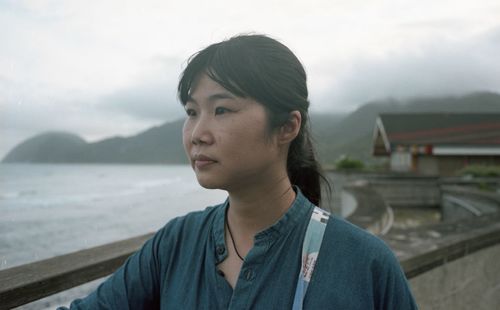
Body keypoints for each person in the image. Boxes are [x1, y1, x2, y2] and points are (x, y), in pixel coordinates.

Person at [61, 34, 417, 309]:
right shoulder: (175, 244)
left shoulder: (363, 263)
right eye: (190, 111)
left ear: (287, 127)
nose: (198, 133)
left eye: (222, 110)